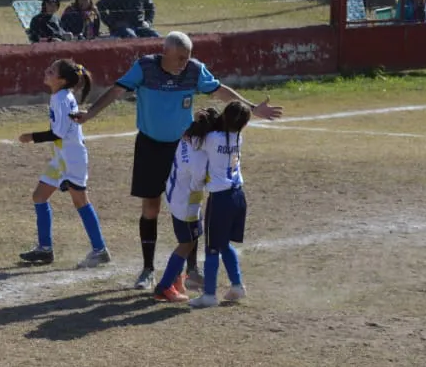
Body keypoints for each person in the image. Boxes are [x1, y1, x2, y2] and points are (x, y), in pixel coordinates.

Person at [73, 31, 282, 291]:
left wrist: (251, 107)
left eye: (188, 57)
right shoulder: (145, 67)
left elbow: (219, 91)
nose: (184, 62)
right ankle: (148, 270)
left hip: (185, 148)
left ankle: (192, 271)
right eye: (180, 57)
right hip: (150, 146)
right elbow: (116, 91)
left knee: (190, 209)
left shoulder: (194, 70)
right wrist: (90, 114)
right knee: (150, 207)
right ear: (166, 52)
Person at [17, 59, 111, 269]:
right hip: (62, 157)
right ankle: (45, 249)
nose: (46, 72)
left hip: (72, 158)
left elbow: (58, 132)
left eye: (51, 71)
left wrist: (31, 136)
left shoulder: (60, 99)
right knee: (39, 197)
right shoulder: (59, 96)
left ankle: (100, 250)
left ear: (61, 80)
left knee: (81, 202)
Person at [190, 100, 252, 308]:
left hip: (220, 199)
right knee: (224, 244)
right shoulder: (238, 137)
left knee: (212, 248)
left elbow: (192, 138)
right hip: (237, 196)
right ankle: (236, 284)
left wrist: (199, 118)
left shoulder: (212, 138)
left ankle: (209, 294)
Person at [152, 107, 216, 302]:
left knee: (192, 238)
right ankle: (164, 286)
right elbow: (199, 182)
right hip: (186, 203)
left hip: (176, 195)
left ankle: (178, 280)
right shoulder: (200, 155)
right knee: (186, 243)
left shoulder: (187, 138)